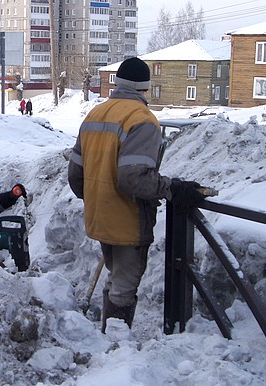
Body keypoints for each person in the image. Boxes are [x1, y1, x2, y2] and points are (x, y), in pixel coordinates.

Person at [67, 57, 205, 332]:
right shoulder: (142, 120)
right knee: (124, 285)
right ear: (145, 88)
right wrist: (171, 188)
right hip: (127, 220)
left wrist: (97, 197)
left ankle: (109, 340)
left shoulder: (95, 114)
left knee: (115, 277)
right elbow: (133, 178)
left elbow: (75, 176)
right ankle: (116, 349)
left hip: (100, 216)